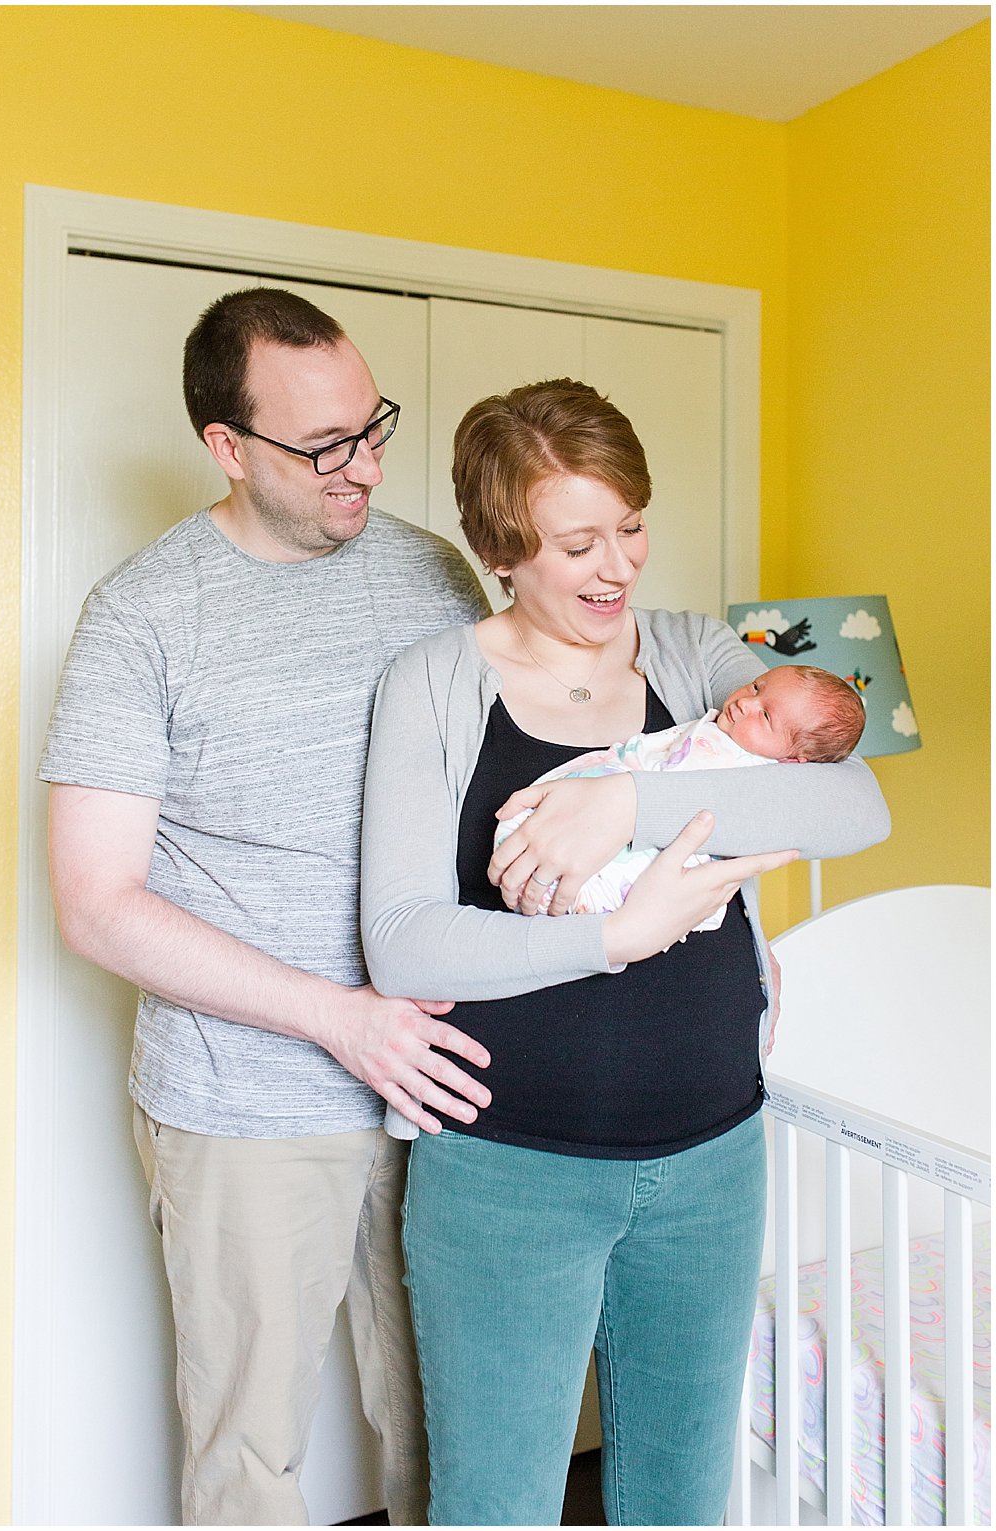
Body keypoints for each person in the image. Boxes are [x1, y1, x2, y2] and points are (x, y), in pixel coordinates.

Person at [358, 380, 889, 1524]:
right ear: (498, 550)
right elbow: (402, 942)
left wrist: (625, 805)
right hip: (508, 1170)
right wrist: (616, 936)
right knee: (495, 1501)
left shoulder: (694, 652)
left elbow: (853, 809)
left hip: (711, 1155)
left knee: (678, 1500)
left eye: (630, 527)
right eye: (574, 543)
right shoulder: (434, 684)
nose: (615, 569)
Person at [40, 287, 491, 1525]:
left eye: (370, 425)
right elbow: (96, 903)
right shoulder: (143, 616)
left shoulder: (433, 574)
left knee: (453, 1434)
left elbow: (513, 790)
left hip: (441, 1081)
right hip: (244, 1104)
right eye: (320, 445)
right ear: (225, 448)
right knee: (248, 1458)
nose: (364, 467)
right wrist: (339, 1019)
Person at [494, 662, 866, 929]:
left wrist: (629, 801)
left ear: (793, 759)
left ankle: (578, 899)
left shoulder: (752, 773)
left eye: (766, 716)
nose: (745, 702)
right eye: (756, 686)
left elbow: (864, 812)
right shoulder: (719, 728)